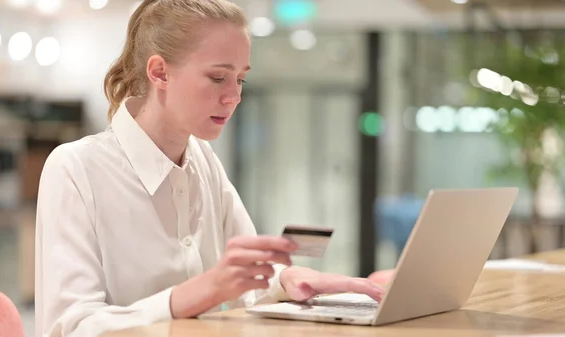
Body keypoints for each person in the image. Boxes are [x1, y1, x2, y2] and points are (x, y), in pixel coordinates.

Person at [34, 0, 386, 336]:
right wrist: (191, 295)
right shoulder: (75, 168)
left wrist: (285, 280)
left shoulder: (203, 160)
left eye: (240, 79)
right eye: (218, 78)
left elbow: (245, 280)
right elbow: (70, 327)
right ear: (159, 73)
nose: (234, 96)